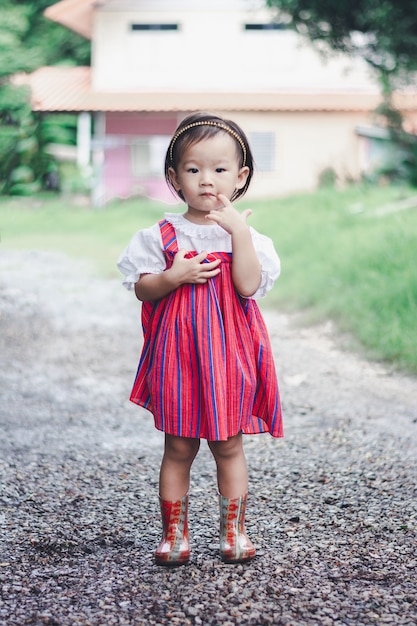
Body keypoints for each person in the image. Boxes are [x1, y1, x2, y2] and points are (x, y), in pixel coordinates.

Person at [118, 112, 283, 566]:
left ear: (241, 176)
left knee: (229, 444)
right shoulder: (161, 235)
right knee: (178, 446)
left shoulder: (246, 237)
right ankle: (175, 535)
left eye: (219, 169)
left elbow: (248, 286)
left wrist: (240, 234)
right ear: (174, 177)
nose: (206, 180)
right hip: (179, 359)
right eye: (193, 169)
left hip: (230, 358)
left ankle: (234, 532)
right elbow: (142, 288)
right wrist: (174, 275)